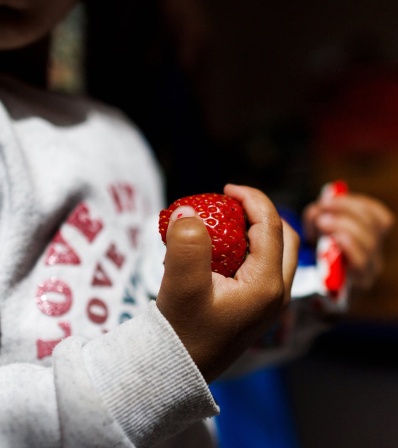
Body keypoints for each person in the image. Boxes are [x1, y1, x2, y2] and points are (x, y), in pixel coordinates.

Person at [0, 1, 301, 447]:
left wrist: (300, 301)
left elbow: (172, 334)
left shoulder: (117, 135)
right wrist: (162, 362)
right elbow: (171, 353)